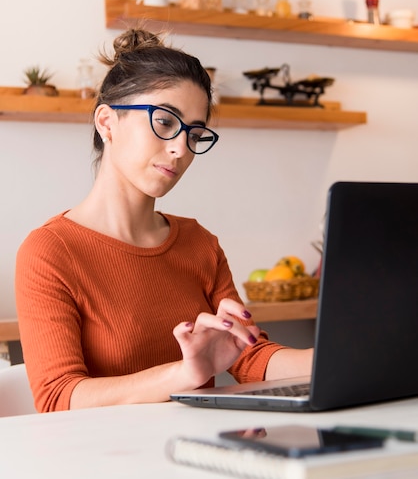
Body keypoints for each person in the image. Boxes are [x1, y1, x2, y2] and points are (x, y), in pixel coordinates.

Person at [15, 28, 313, 412]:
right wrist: (185, 373)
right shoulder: (49, 252)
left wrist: (342, 357)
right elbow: (58, 397)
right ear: (107, 123)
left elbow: (249, 356)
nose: (179, 149)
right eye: (166, 122)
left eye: (194, 132)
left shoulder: (199, 242)